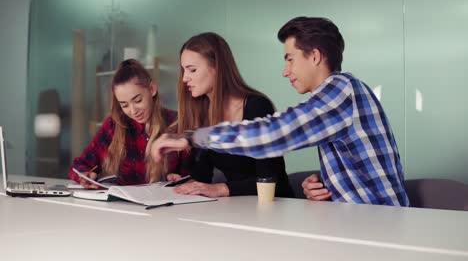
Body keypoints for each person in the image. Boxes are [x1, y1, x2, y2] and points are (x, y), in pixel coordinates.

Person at [151, 17, 409, 206]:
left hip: (379, 226)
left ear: (315, 56)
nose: (285, 71)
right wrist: (323, 185)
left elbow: (273, 135)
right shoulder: (338, 97)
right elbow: (359, 163)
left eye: (289, 58)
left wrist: (192, 136)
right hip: (359, 222)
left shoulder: (340, 90)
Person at [165, 32, 293, 198]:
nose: (184, 78)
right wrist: (183, 182)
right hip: (237, 208)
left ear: (217, 68)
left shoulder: (257, 106)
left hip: (275, 206)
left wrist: (219, 189)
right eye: (183, 70)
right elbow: (202, 177)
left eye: (192, 70)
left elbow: (270, 181)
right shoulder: (204, 111)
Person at [69, 59, 188, 188]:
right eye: (124, 105)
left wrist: (177, 179)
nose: (133, 111)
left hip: (164, 204)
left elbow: (194, 174)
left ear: (152, 89)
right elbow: (79, 165)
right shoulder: (113, 125)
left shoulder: (176, 122)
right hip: (120, 206)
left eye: (138, 100)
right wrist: (84, 176)